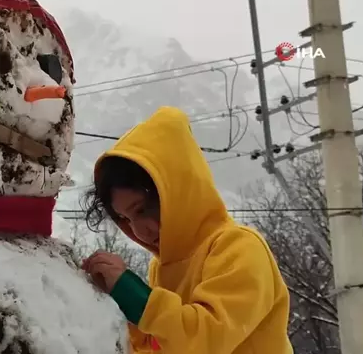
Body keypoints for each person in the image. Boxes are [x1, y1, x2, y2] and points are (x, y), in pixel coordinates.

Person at [80, 106, 293, 354]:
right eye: (126, 219)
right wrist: (118, 307)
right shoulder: (161, 267)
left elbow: (206, 339)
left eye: (141, 210)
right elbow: (162, 345)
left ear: (177, 191)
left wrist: (136, 297)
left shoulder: (239, 247)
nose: (139, 232)